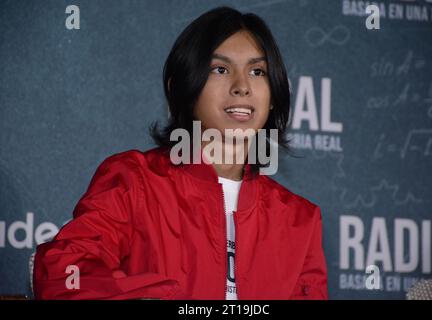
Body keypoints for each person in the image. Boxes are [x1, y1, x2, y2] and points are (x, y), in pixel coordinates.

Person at [33, 6, 328, 300]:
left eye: (257, 71)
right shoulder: (134, 182)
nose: (242, 87)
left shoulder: (300, 220)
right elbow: (63, 272)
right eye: (220, 69)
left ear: (274, 94)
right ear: (183, 87)